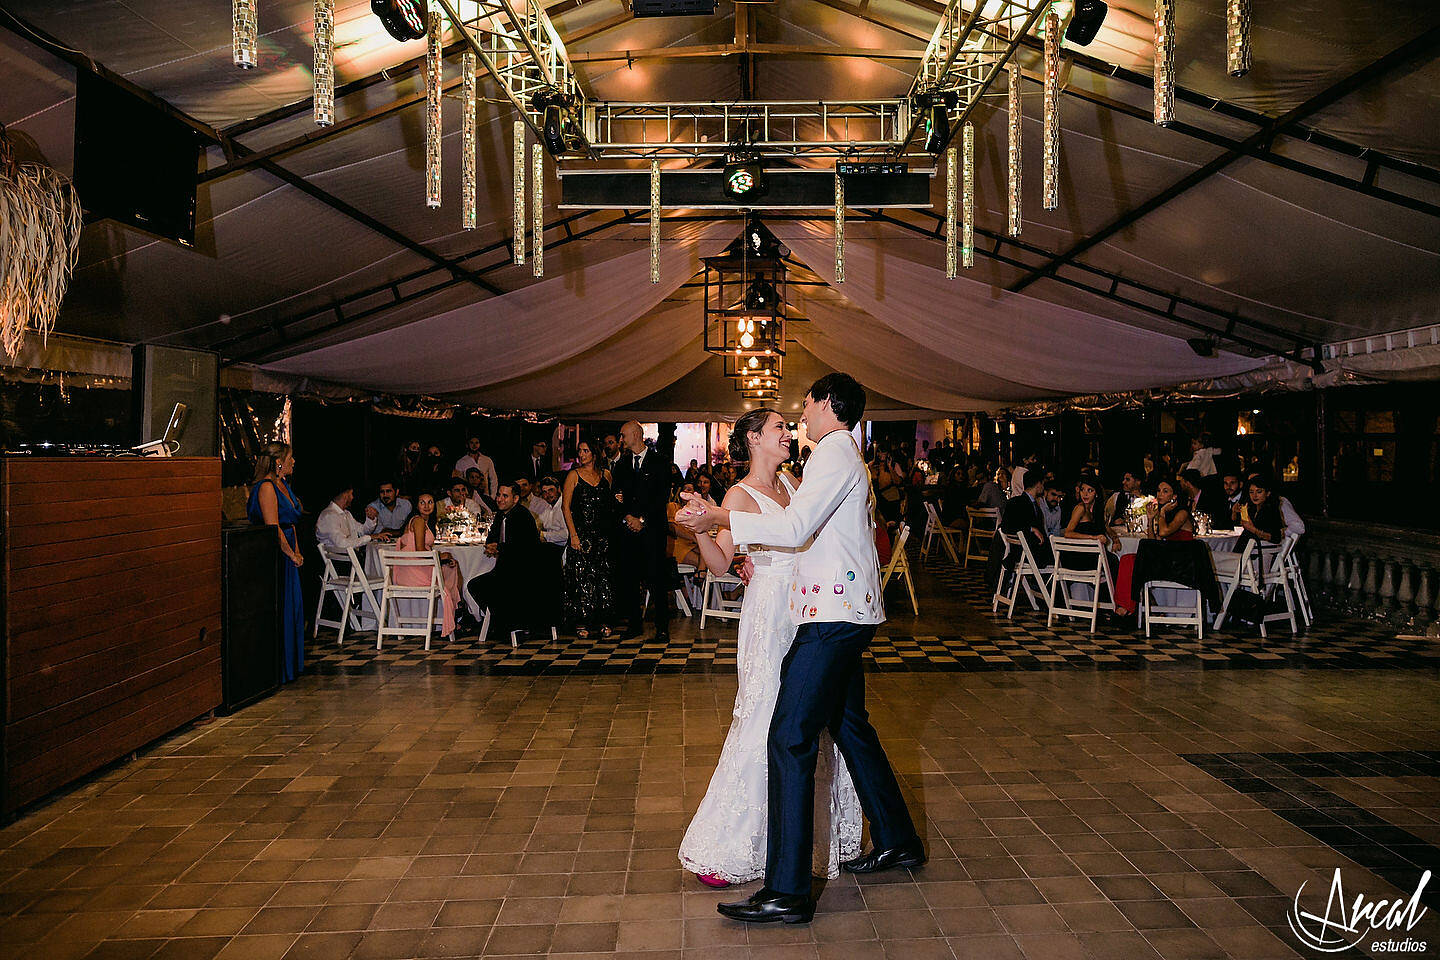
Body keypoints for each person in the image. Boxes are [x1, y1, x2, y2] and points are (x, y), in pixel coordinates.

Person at [676, 374, 923, 925]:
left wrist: (717, 517)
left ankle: (787, 891)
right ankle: (898, 838)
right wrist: (733, 544)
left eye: (806, 406)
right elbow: (789, 539)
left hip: (828, 615)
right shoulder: (836, 455)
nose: (798, 419)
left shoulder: (831, 453)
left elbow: (793, 528)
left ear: (828, 404)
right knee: (850, 726)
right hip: (821, 609)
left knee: (788, 735)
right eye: (781, 424)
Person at [677, 408, 862, 890]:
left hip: (804, 608)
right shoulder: (738, 495)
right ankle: (736, 844)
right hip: (768, 615)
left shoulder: (794, 484)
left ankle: (802, 839)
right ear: (754, 438)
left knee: (807, 721)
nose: (788, 433)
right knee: (762, 716)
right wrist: (699, 531)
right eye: (779, 427)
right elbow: (721, 564)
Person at [247, 442, 305, 683]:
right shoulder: (266, 487)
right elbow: (274, 528)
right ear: (279, 462)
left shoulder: (283, 485)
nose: (294, 462)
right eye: (291, 458)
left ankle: (292, 666)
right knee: (282, 608)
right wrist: (290, 554)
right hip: (276, 555)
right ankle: (279, 668)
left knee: (294, 608)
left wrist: (297, 551)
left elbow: (290, 523)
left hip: (290, 551)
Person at [611, 421, 671, 641]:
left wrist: (643, 520)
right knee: (630, 578)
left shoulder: (660, 461)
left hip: (652, 531)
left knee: (656, 579)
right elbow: (616, 495)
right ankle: (634, 624)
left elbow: (661, 496)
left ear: (636, 435)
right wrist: (628, 517)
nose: (621, 440)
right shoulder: (622, 464)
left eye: (623, 435)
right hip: (629, 531)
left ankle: (662, 627)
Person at [467, 481, 541, 638]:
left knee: (488, 586)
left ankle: (507, 623)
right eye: (498, 495)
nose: (499, 499)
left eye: (505, 496)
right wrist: (491, 545)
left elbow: (523, 547)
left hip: (523, 570)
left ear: (515, 499)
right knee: (474, 585)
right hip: (504, 569)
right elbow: (492, 536)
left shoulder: (522, 516)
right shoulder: (500, 515)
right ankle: (502, 621)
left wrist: (499, 548)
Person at [1114, 477, 1193, 615]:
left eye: (1165, 491)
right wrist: (1150, 520)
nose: (1160, 494)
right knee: (1127, 559)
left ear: (1174, 496)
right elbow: (1153, 543)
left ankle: (1128, 609)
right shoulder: (1164, 515)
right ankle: (1125, 607)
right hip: (1166, 559)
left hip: (1180, 563)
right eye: (1159, 491)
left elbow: (1164, 532)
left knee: (1133, 560)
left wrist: (1161, 513)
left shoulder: (1182, 513)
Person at [562, 440, 615, 638]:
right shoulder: (573, 475)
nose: (582, 454)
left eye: (585, 451)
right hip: (581, 536)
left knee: (603, 578)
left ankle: (604, 619)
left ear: (594, 453)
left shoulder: (606, 475)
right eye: (580, 451)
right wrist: (573, 535)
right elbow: (565, 507)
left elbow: (610, 504)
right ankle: (581, 621)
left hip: (602, 536)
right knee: (581, 578)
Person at [396, 494, 462, 641]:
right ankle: (456, 614)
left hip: (411, 568)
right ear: (417, 505)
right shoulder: (418, 521)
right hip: (413, 571)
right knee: (452, 567)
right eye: (422, 503)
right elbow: (420, 550)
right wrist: (441, 556)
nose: (426, 506)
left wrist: (444, 559)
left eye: (430, 502)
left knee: (450, 566)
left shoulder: (422, 521)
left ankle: (454, 614)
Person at [316, 485, 385, 554]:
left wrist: (371, 518)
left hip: (349, 556)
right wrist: (370, 537)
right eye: (351, 494)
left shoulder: (346, 513)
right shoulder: (329, 515)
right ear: (345, 495)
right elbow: (342, 544)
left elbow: (362, 531)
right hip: (339, 559)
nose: (352, 497)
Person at [1237, 475, 1286, 552]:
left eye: (1259, 491)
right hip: (1248, 551)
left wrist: (1253, 529)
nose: (1254, 495)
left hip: (1258, 553)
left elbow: (1276, 538)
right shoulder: (1253, 509)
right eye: (1251, 492)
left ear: (1268, 493)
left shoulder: (1271, 510)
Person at [667, 482, 703, 569]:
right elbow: (672, 527)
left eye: (689, 490)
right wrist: (694, 539)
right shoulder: (673, 506)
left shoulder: (697, 510)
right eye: (684, 489)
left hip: (692, 544)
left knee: (708, 554)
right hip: (677, 544)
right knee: (704, 561)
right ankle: (701, 572)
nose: (685, 491)